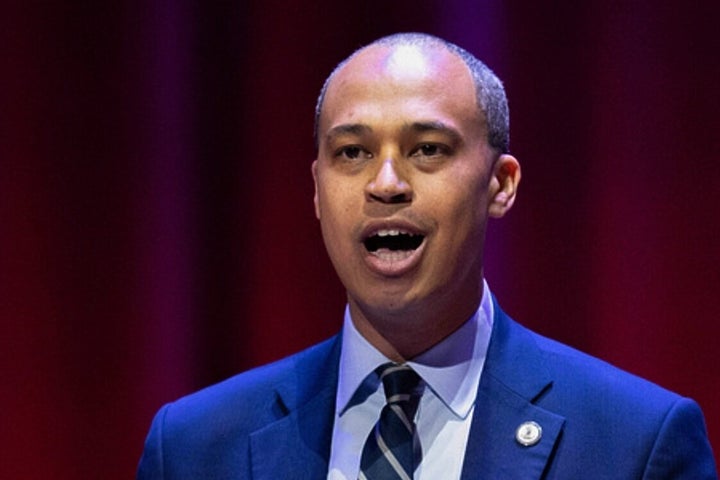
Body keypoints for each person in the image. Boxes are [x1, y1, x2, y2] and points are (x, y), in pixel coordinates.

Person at [137, 33, 716, 479]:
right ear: (316, 189)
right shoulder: (192, 447)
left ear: (500, 184)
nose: (386, 183)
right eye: (353, 152)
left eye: (428, 149)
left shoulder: (636, 444)